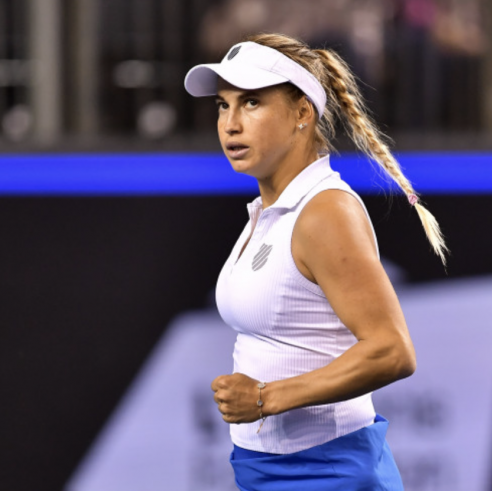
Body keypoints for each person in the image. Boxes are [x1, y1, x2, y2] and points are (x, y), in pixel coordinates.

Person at [184, 33, 448, 491]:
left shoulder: (325, 212)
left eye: (251, 103)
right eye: (224, 106)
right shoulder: (270, 211)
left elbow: (391, 351)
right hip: (264, 469)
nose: (230, 124)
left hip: (327, 472)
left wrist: (266, 398)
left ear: (302, 113)